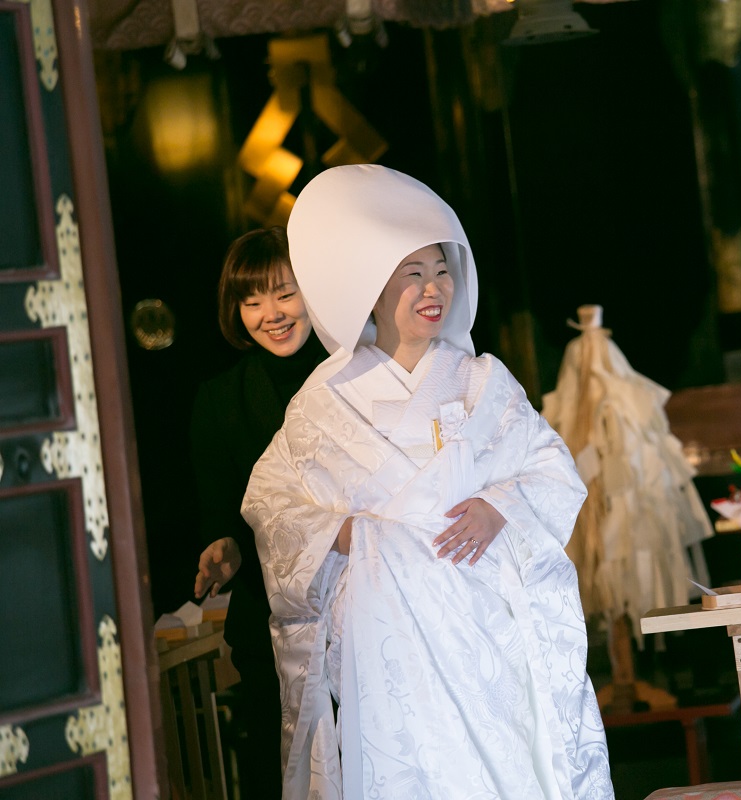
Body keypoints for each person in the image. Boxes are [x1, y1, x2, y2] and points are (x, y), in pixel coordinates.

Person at [241, 164, 615, 799]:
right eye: (411, 274)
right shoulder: (324, 400)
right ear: (372, 289)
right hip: (385, 636)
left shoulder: (482, 381)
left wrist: (500, 506)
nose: (432, 288)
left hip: (481, 623)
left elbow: (553, 469)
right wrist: (337, 533)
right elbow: (270, 500)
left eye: (443, 271)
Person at [190, 226, 327, 799]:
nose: (271, 314)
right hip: (269, 625)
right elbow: (221, 515)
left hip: (361, 610)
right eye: (251, 301)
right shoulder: (219, 399)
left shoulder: (355, 373)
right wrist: (222, 547)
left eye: (285, 293)